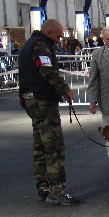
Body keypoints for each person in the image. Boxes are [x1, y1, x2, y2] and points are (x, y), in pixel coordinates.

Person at [18, 18, 80, 206]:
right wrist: (64, 89)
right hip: (42, 100)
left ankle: (43, 188)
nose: (60, 40)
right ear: (49, 32)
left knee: (40, 145)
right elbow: (47, 71)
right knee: (54, 146)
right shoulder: (41, 45)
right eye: (59, 36)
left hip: (31, 100)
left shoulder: (29, 44)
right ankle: (58, 191)